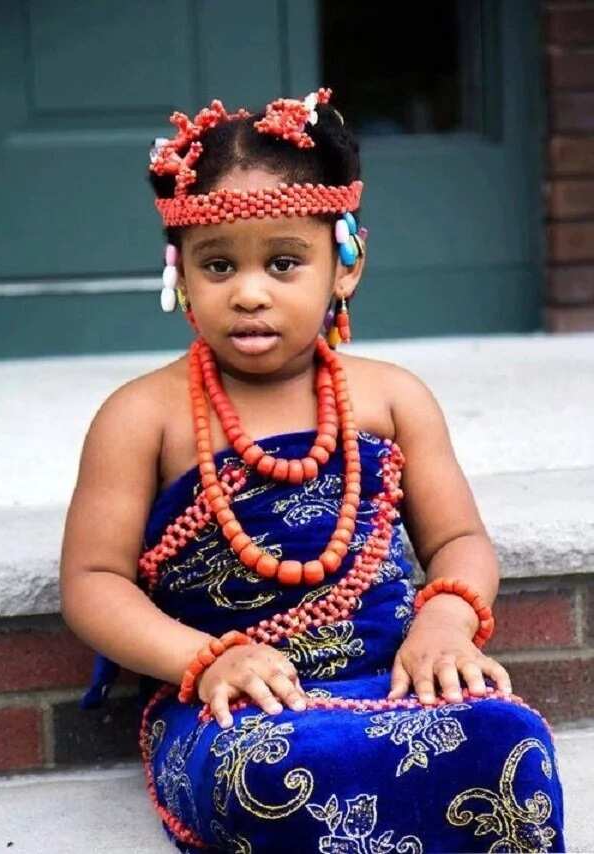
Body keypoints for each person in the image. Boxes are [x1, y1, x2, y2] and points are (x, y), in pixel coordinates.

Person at [60, 89, 565, 853]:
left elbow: (459, 536)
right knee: (267, 772)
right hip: (235, 702)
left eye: (285, 262)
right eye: (218, 265)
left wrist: (445, 620)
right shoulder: (141, 417)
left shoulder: (392, 399)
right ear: (181, 276)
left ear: (346, 265)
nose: (250, 291)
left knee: (509, 739)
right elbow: (94, 583)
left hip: (400, 673)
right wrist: (206, 659)